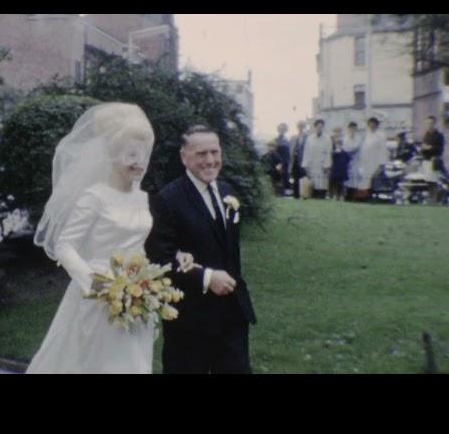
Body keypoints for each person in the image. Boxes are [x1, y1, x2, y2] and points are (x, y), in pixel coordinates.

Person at [26, 103, 194, 374]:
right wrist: (96, 284)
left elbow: (141, 243)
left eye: (143, 155)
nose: (140, 162)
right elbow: (65, 245)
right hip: (98, 297)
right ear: (113, 155)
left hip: (138, 296)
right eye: (131, 155)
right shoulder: (95, 197)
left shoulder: (141, 198)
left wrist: (172, 258)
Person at [145, 125, 257, 374]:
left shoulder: (228, 192)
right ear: (184, 157)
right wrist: (206, 277)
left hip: (232, 314)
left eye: (214, 152)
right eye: (201, 154)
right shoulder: (167, 200)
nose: (210, 160)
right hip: (190, 320)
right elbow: (159, 260)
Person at [357, 117, 388, 200]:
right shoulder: (367, 135)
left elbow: (383, 150)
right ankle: (364, 198)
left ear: (377, 125)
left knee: (373, 181)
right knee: (364, 182)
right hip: (365, 163)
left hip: (376, 163)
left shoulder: (381, 136)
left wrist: (381, 165)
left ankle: (373, 197)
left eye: (373, 124)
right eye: (370, 124)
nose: (372, 126)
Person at [301, 119, 332, 199]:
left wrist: (327, 166)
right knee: (312, 184)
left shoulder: (327, 138)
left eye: (321, 127)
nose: (319, 128)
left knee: (322, 185)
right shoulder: (310, 139)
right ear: (315, 127)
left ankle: (321, 198)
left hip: (322, 166)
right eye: (318, 127)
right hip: (312, 165)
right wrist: (305, 166)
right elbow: (306, 153)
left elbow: (329, 153)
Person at [342, 122, 362, 201]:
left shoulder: (359, 138)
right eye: (351, 128)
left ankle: (354, 197)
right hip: (347, 161)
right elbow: (345, 148)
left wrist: (349, 150)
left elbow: (355, 147)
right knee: (347, 180)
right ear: (349, 129)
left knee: (355, 180)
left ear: (356, 129)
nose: (352, 130)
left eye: (354, 128)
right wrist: (348, 150)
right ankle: (347, 197)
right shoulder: (345, 138)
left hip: (356, 161)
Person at [289, 120, 308, 199]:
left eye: (302, 126)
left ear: (304, 127)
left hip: (303, 160)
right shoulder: (293, 137)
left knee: (303, 178)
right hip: (295, 160)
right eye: (299, 126)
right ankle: (295, 194)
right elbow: (291, 149)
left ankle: (303, 195)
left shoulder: (307, 137)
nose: (300, 128)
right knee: (294, 178)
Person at [329, 137, 349, 201]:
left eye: (340, 144)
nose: (338, 145)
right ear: (335, 145)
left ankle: (340, 196)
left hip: (341, 171)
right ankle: (333, 195)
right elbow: (331, 160)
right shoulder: (333, 152)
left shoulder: (344, 153)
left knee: (340, 184)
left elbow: (348, 159)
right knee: (333, 184)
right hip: (334, 171)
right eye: (337, 144)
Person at [275, 123, 291, 194]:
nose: (282, 130)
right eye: (280, 129)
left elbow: (289, 152)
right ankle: (277, 191)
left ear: (286, 130)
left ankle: (286, 191)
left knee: (285, 175)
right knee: (277, 175)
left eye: (283, 129)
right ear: (278, 129)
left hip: (285, 161)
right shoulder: (275, 139)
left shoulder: (288, 139)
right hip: (277, 161)